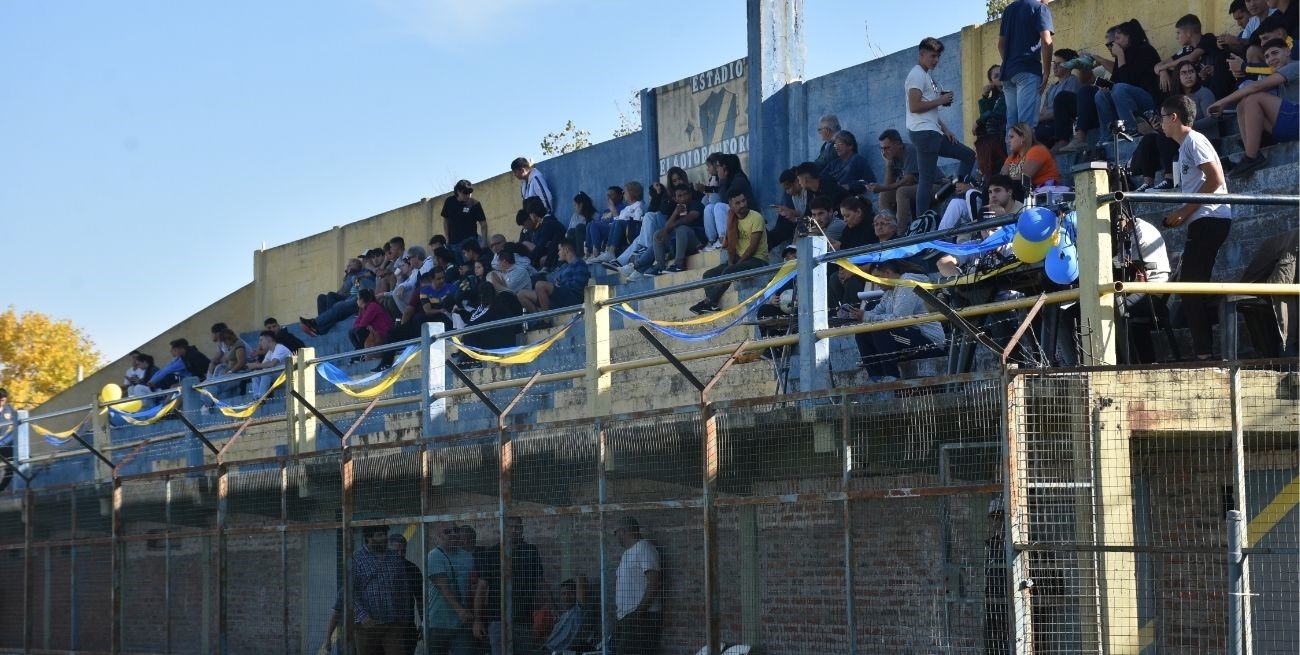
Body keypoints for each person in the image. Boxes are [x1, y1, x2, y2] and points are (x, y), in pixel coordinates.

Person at [1159, 94, 1232, 360]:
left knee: (1190, 287)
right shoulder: (1185, 146)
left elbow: (1215, 179)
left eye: (1162, 117)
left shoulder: (1194, 140)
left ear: (1174, 117)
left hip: (1210, 219)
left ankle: (1205, 355)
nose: (1160, 123)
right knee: (1192, 287)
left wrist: (1184, 211)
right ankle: (1205, 351)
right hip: (1203, 221)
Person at [906, 37, 976, 218]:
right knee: (926, 180)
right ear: (921, 54)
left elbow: (929, 110)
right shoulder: (916, 74)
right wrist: (941, 100)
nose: (936, 60)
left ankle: (959, 192)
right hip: (924, 133)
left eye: (938, 56)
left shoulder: (926, 75)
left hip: (933, 131)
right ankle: (921, 223)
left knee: (968, 155)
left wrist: (946, 130)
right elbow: (914, 107)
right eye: (932, 56)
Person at [1208, 39, 1298, 178]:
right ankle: (1250, 153)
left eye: (1275, 53)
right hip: (1287, 125)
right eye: (1267, 56)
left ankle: (1251, 157)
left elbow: (1257, 87)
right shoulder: (1276, 75)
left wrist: (1223, 102)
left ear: (1288, 51)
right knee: (1243, 104)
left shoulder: (1295, 65)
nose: (1271, 59)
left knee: (1254, 97)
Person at [849, 259, 946, 381]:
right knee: (862, 332)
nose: (875, 282)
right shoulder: (891, 290)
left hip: (930, 343)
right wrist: (859, 314)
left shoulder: (908, 283)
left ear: (888, 272)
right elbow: (877, 311)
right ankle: (875, 376)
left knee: (880, 329)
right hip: (910, 338)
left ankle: (892, 375)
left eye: (877, 277)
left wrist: (867, 316)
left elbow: (899, 318)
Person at [1130, 60, 1218, 192]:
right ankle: (1148, 182)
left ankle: (1169, 179)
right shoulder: (1176, 99)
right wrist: (1159, 126)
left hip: (1203, 140)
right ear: (1177, 76)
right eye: (1184, 73)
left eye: (1191, 72)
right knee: (1149, 138)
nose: (1188, 76)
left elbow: (1212, 119)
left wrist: (1183, 127)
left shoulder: (1204, 93)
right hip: (1181, 140)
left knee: (1164, 138)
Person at [689, 188, 769, 315]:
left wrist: (735, 265)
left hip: (757, 260)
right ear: (731, 205)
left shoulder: (756, 217)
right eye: (737, 203)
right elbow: (731, 247)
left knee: (729, 271)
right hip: (739, 259)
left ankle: (707, 302)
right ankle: (713, 304)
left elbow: (752, 248)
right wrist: (732, 262)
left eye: (743, 201)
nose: (742, 205)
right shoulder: (732, 219)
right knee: (708, 275)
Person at [477, 517, 545, 655]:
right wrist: (477, 620)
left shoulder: (530, 551)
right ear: (504, 529)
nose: (514, 530)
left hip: (524, 619)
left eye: (518, 527)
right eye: (511, 527)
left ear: (522, 529)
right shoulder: (492, 553)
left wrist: (548, 605)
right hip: (498, 620)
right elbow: (482, 588)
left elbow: (540, 582)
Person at [1114, 213, 1172, 364]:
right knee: (1112, 306)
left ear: (1125, 216)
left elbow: (1126, 263)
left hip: (1153, 289)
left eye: (1117, 221)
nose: (1115, 226)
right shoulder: (1129, 231)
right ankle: (1135, 361)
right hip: (1138, 285)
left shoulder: (1142, 232)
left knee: (1116, 309)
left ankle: (1130, 362)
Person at [1091, 20, 1162, 139]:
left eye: (1118, 38)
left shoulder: (1145, 50)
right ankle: (1108, 136)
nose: (1115, 43)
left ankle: (1132, 129)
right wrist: (1106, 87)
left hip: (1149, 101)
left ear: (1129, 37)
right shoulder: (1123, 54)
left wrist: (1120, 56)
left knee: (1120, 89)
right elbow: (1115, 82)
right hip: (1127, 99)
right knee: (1100, 95)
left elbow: (1127, 83)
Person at [998, 0, 1055, 128]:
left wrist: (1011, 62)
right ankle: (1026, 149)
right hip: (1028, 71)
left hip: (1008, 73)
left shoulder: (1009, 10)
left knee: (1012, 125)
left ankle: (1012, 149)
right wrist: (1046, 72)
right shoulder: (1040, 8)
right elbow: (1046, 41)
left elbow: (1001, 45)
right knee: (1026, 125)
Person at [612, 517, 661, 655]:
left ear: (622, 531)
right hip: (627, 617)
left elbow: (654, 582)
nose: (615, 537)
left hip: (642, 617)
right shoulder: (626, 554)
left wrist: (638, 613)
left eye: (615, 533)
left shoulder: (644, 548)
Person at [1154, 14, 1234, 100]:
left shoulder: (1208, 38)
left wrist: (1164, 66)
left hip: (1217, 88)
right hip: (1198, 89)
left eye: (1178, 33)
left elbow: (1191, 58)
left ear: (1188, 34)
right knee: (1163, 78)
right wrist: (1163, 71)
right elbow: (1157, 66)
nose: (1176, 37)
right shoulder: (1187, 50)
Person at [426, 525, 476, 655]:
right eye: (448, 531)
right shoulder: (434, 556)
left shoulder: (468, 557)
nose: (453, 533)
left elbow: (472, 587)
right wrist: (461, 611)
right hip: (438, 622)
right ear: (439, 536)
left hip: (462, 623)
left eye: (456, 530)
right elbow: (443, 587)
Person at [300, 258, 376, 337]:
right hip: (351, 299)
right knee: (322, 297)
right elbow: (353, 289)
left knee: (334, 300)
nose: (348, 265)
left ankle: (315, 323)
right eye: (349, 264)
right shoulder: (350, 276)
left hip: (355, 301)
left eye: (351, 263)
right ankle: (319, 326)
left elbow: (358, 289)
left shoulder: (363, 273)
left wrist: (357, 278)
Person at [869, 129, 933, 215]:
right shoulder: (893, 157)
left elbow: (908, 181)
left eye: (887, 148)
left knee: (902, 191)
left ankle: (900, 228)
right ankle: (888, 224)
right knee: (884, 195)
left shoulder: (910, 150)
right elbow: (888, 186)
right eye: (882, 149)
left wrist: (882, 188)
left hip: (933, 185)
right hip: (917, 188)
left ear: (898, 144)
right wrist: (888, 165)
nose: (884, 152)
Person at [703, 154, 757, 253]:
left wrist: (722, 180)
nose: (717, 169)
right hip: (734, 213)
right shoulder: (729, 179)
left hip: (746, 214)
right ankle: (712, 241)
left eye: (718, 166)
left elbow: (725, 200)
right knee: (709, 208)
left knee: (719, 206)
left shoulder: (738, 179)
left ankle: (723, 239)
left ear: (725, 167)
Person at [650, 184, 708, 274]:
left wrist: (673, 225)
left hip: (697, 241)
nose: (683, 198)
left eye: (685, 194)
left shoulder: (696, 204)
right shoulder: (676, 210)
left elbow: (690, 218)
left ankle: (679, 265)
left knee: (682, 229)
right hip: (680, 243)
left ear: (690, 194)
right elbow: (666, 228)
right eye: (679, 196)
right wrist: (675, 213)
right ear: (675, 199)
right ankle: (660, 266)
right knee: (657, 234)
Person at [519, 239, 589, 312]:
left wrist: (558, 285)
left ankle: (546, 320)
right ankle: (539, 320)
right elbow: (553, 280)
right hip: (559, 296)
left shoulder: (579, 264)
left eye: (559, 250)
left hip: (572, 298)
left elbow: (577, 286)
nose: (558, 253)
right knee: (521, 294)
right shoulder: (564, 266)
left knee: (540, 285)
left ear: (566, 249)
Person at [1034, 49, 1082, 150]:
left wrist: (1036, 119)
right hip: (1046, 122)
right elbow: (1043, 111)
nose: (1054, 66)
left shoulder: (1072, 81)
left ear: (1068, 65)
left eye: (1059, 63)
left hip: (1061, 124)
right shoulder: (1052, 87)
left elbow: (1062, 111)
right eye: (1054, 63)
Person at [591, 182, 646, 264]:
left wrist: (617, 214)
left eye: (624, 192)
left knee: (618, 222)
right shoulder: (626, 208)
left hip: (632, 233)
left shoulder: (639, 205)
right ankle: (608, 251)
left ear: (632, 193)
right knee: (615, 223)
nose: (623, 194)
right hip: (623, 233)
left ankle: (611, 251)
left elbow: (637, 222)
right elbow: (617, 222)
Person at [543, 577, 600, 654]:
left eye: (570, 593)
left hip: (558, 652)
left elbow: (581, 578)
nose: (566, 596)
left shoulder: (579, 611)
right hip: (547, 648)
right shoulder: (562, 616)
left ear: (576, 594)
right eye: (563, 594)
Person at [388, 534, 424, 655]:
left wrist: (424, 624)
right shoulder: (382, 568)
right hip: (385, 626)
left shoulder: (412, 569)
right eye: (395, 551)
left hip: (407, 627)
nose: (399, 554)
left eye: (402, 551)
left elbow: (420, 599)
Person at [1000, 122, 1062, 191]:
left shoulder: (1037, 150)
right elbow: (1001, 178)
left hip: (1048, 192)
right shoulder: (1012, 156)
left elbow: (1022, 178)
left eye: (1011, 137)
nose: (1008, 141)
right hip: (1030, 193)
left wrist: (1005, 180)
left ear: (1023, 137)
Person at [973, 64, 1008, 181]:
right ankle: (985, 166)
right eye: (996, 76)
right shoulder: (996, 97)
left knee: (987, 123)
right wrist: (984, 97)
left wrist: (978, 121)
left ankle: (992, 155)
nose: (1001, 77)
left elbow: (997, 114)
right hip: (998, 130)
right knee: (981, 129)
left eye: (1002, 73)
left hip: (1007, 126)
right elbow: (986, 116)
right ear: (991, 81)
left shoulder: (1009, 91)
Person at [517, 199, 566, 272]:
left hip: (559, 254)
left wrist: (526, 260)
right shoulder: (548, 221)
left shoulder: (548, 223)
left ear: (533, 214)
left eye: (530, 215)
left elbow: (541, 246)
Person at [443, 179, 488, 254]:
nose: (468, 196)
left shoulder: (475, 204)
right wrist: (447, 238)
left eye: (470, 193)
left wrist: (483, 242)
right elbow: (445, 220)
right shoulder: (449, 201)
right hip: (453, 243)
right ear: (458, 191)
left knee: (468, 265)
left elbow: (483, 224)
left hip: (469, 244)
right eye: (465, 193)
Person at [585, 186, 628, 263]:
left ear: (619, 196)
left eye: (611, 194)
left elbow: (619, 221)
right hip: (604, 233)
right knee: (590, 224)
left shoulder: (623, 207)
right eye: (607, 195)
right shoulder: (606, 211)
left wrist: (613, 209)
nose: (608, 197)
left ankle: (596, 252)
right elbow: (599, 222)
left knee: (594, 225)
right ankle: (588, 253)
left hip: (613, 230)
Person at [245, 330, 292, 397]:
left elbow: (272, 364)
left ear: (269, 340)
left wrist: (256, 365)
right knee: (255, 374)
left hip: (288, 379)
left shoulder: (280, 348)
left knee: (266, 374)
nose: (259, 343)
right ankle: (256, 397)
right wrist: (255, 364)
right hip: (279, 378)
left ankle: (261, 397)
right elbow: (263, 366)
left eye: (261, 340)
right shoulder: (270, 352)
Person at [350, 289, 395, 353]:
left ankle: (361, 353)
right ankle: (360, 352)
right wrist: (368, 325)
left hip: (384, 333)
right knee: (351, 332)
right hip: (375, 331)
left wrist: (366, 325)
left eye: (358, 299)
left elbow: (362, 324)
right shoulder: (363, 309)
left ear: (362, 300)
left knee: (360, 331)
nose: (357, 301)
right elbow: (356, 324)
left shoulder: (372, 306)